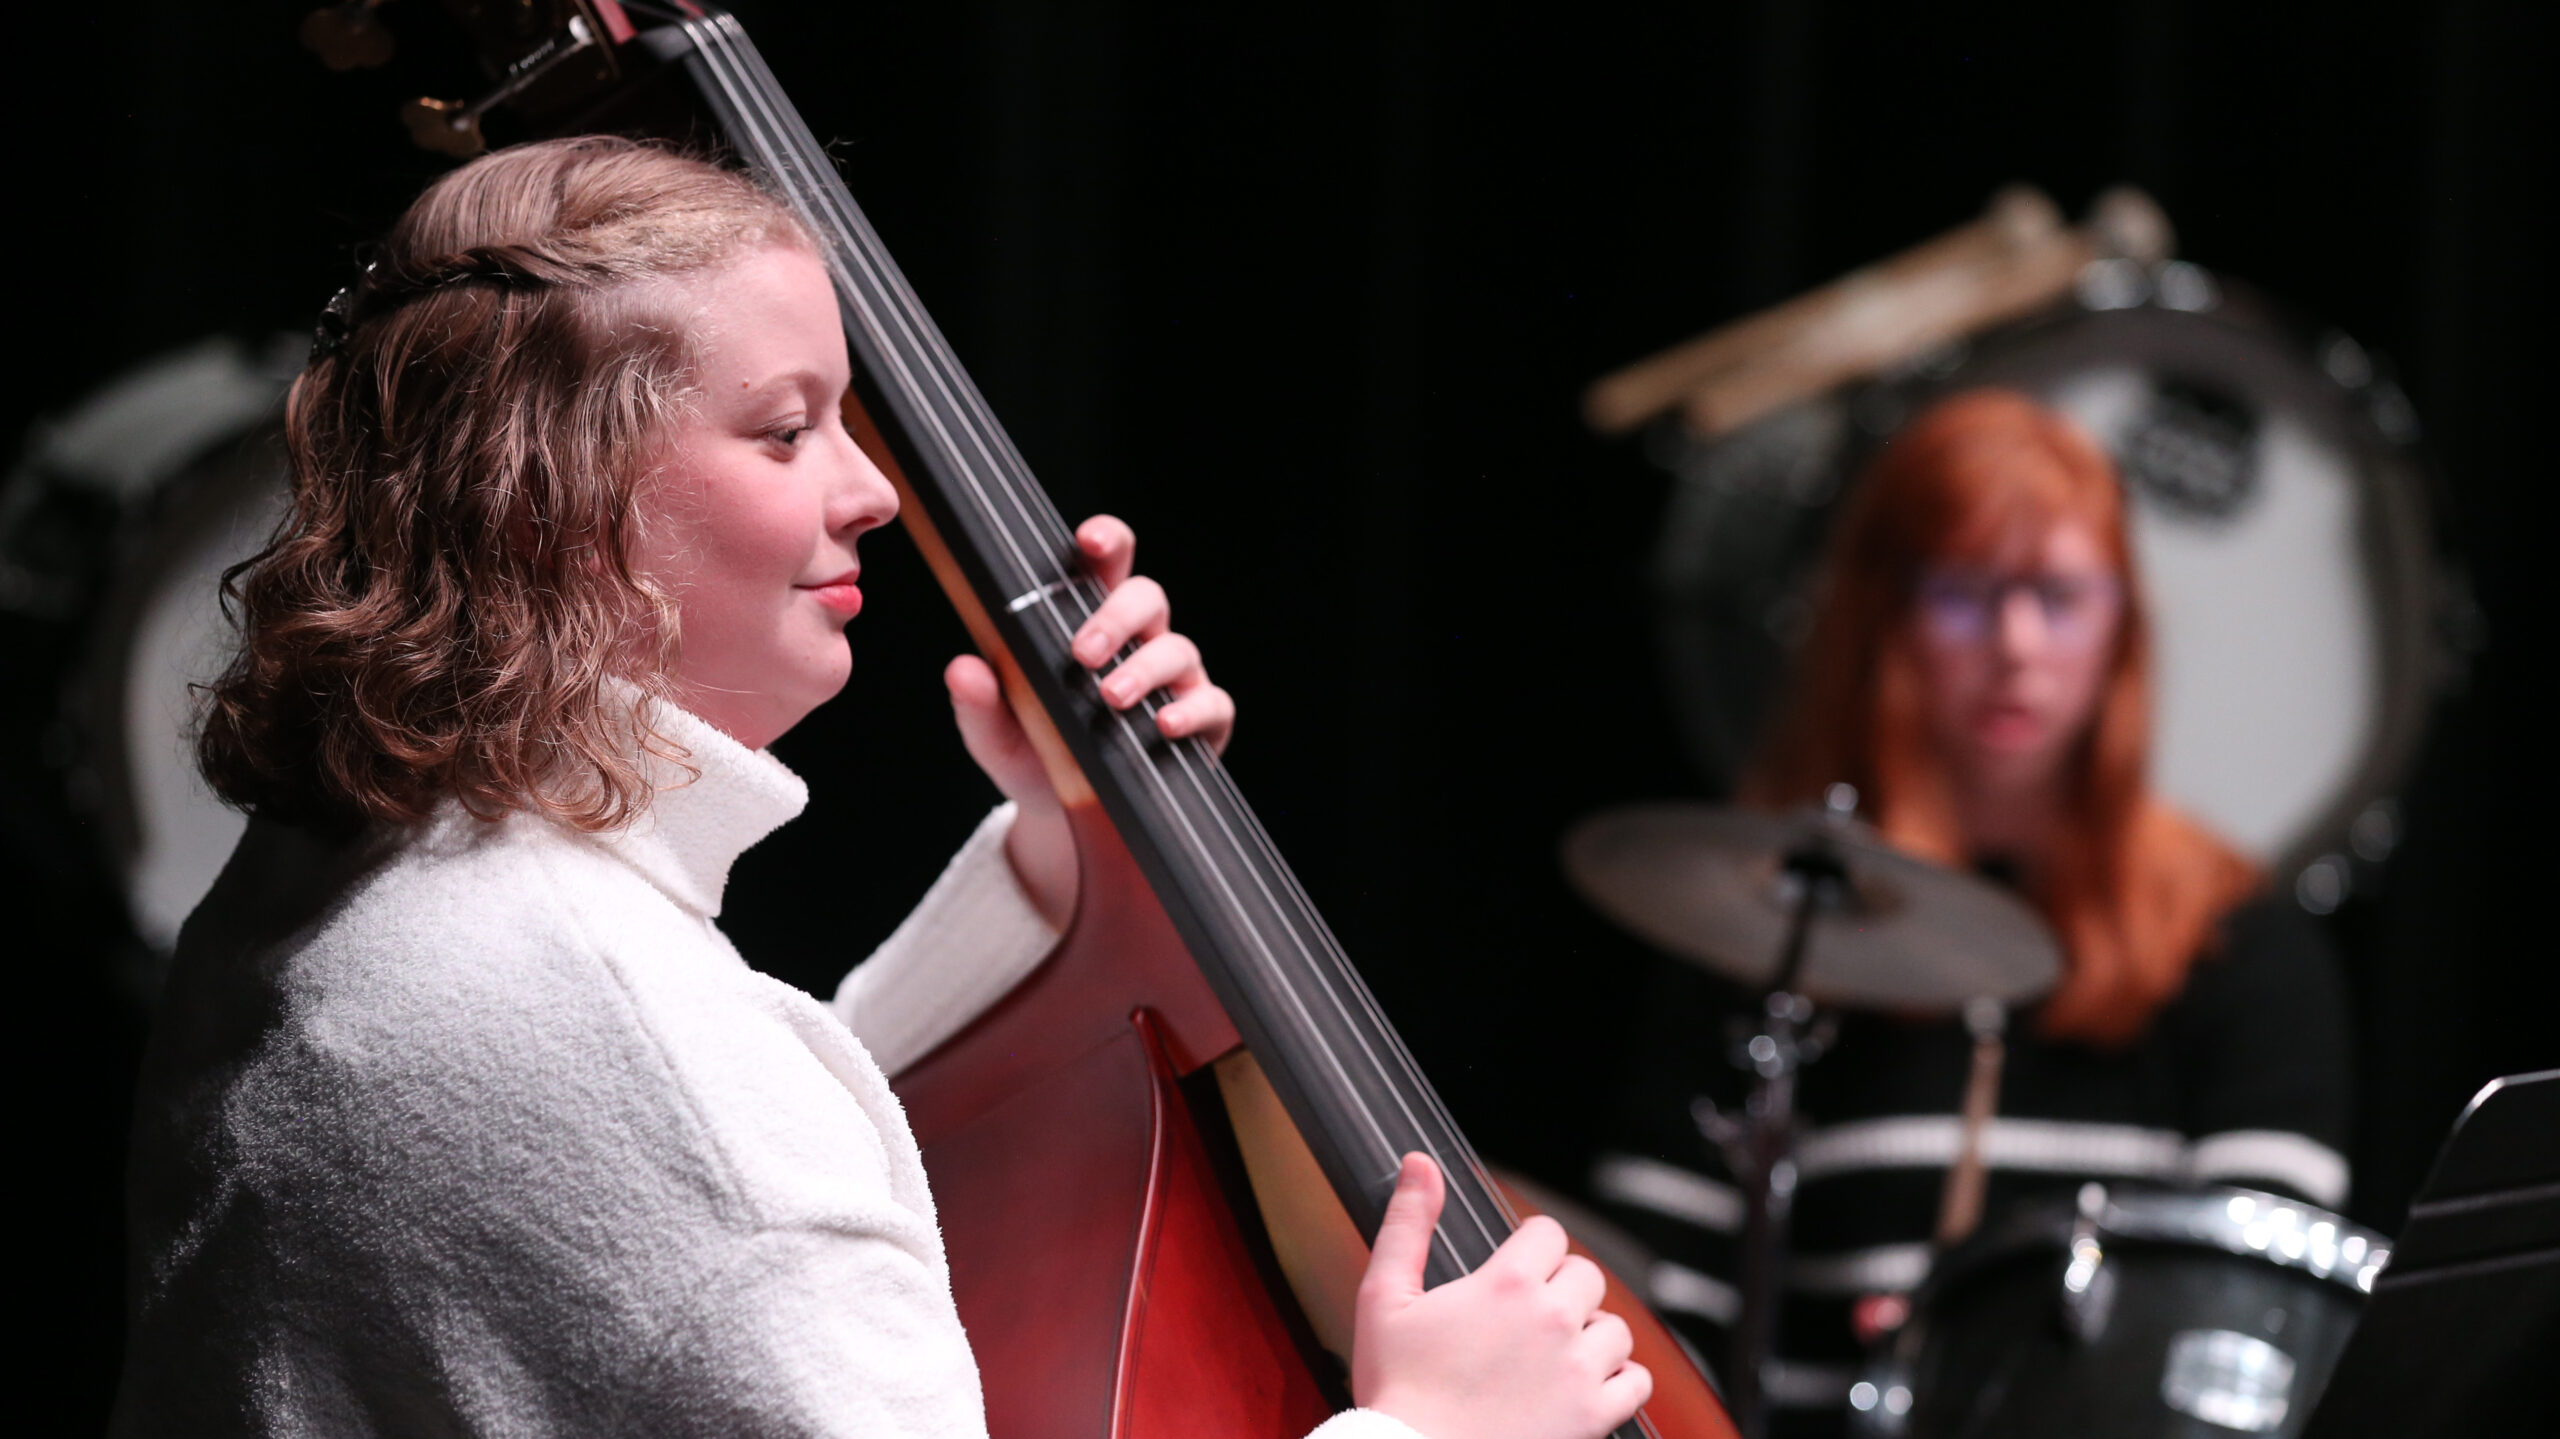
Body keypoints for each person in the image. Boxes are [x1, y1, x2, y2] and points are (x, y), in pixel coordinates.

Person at [111, 136, 1649, 1439]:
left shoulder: (332, 888)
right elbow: (712, 1154)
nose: (872, 490)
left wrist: (1075, 875)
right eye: (786, 429)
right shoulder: (599, 1011)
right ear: (545, 493)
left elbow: (705, 1191)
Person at [1589, 389, 2352, 1433]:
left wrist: (1992, 1345)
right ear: (1881, 618)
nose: (2016, 645)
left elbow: (2257, 1321)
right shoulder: (1767, 918)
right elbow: (1653, 1315)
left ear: (2120, 624)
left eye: (2058, 595)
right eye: (1963, 592)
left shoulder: (2234, 937)